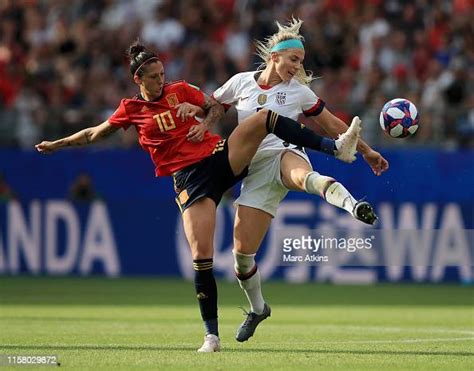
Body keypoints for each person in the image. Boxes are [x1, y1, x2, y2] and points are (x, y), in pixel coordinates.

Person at [35, 41, 361, 352]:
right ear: (138, 80)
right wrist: (57, 144)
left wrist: (204, 122)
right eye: (153, 77)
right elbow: (95, 133)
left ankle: (335, 148)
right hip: (190, 180)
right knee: (202, 255)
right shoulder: (130, 109)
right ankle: (212, 336)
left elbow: (214, 108)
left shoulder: (180, 90)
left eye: (162, 74)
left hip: (218, 157)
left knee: (264, 119)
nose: (161, 81)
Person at [181, 18, 389, 343]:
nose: (297, 66)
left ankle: (353, 205)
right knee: (241, 257)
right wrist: (190, 115)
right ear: (274, 56)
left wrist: (367, 151)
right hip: (254, 172)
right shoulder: (241, 83)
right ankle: (258, 308)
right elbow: (212, 107)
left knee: (306, 177)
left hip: (285, 152)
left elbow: (333, 123)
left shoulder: (298, 92)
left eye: (301, 62)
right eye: (293, 59)